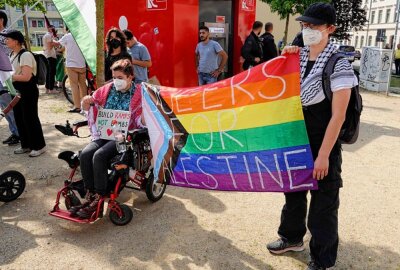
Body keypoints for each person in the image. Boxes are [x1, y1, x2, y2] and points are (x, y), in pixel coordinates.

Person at [265, 3, 358, 270]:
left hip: (322, 144)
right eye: (305, 25)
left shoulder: (338, 65)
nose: (308, 30)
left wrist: (323, 156)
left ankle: (322, 259)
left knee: (324, 204)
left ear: (330, 29)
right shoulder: (297, 57)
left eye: (314, 26)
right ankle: (292, 238)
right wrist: (286, 56)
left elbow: (337, 118)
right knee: (293, 194)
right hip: (296, 140)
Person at [71, 59, 142, 218]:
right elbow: (88, 105)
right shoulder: (107, 89)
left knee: (100, 155)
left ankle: (99, 197)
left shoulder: (139, 93)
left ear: (130, 77)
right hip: (104, 133)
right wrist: (86, 101)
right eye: (114, 77)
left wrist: (143, 119)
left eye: (120, 77)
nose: (116, 81)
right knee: (85, 154)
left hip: (123, 138)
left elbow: (140, 120)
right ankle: (90, 194)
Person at [1, 30, 46, 157]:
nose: (5, 41)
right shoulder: (11, 54)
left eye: (8, 39)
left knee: (30, 118)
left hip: (27, 90)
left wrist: (9, 76)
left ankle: (39, 146)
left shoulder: (25, 55)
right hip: (15, 90)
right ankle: (26, 144)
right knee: (19, 118)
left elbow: (26, 77)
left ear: (16, 41)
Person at [52, 27, 86, 113]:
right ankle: (85, 106)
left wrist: (51, 39)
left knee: (74, 85)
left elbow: (57, 44)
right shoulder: (82, 36)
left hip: (71, 64)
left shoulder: (68, 36)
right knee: (83, 85)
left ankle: (77, 106)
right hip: (82, 64)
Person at [0, 10, 19, 146]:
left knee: (9, 104)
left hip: (7, 76)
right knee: (4, 106)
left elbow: (9, 53)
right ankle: (14, 131)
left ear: (1, 20)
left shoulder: (8, 35)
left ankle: (18, 133)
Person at [42, 25, 57, 94]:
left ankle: (47, 88)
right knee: (51, 73)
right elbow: (49, 46)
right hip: (50, 56)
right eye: (52, 29)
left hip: (48, 55)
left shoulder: (47, 36)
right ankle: (51, 89)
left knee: (49, 73)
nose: (53, 30)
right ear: (49, 29)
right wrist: (55, 43)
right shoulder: (48, 36)